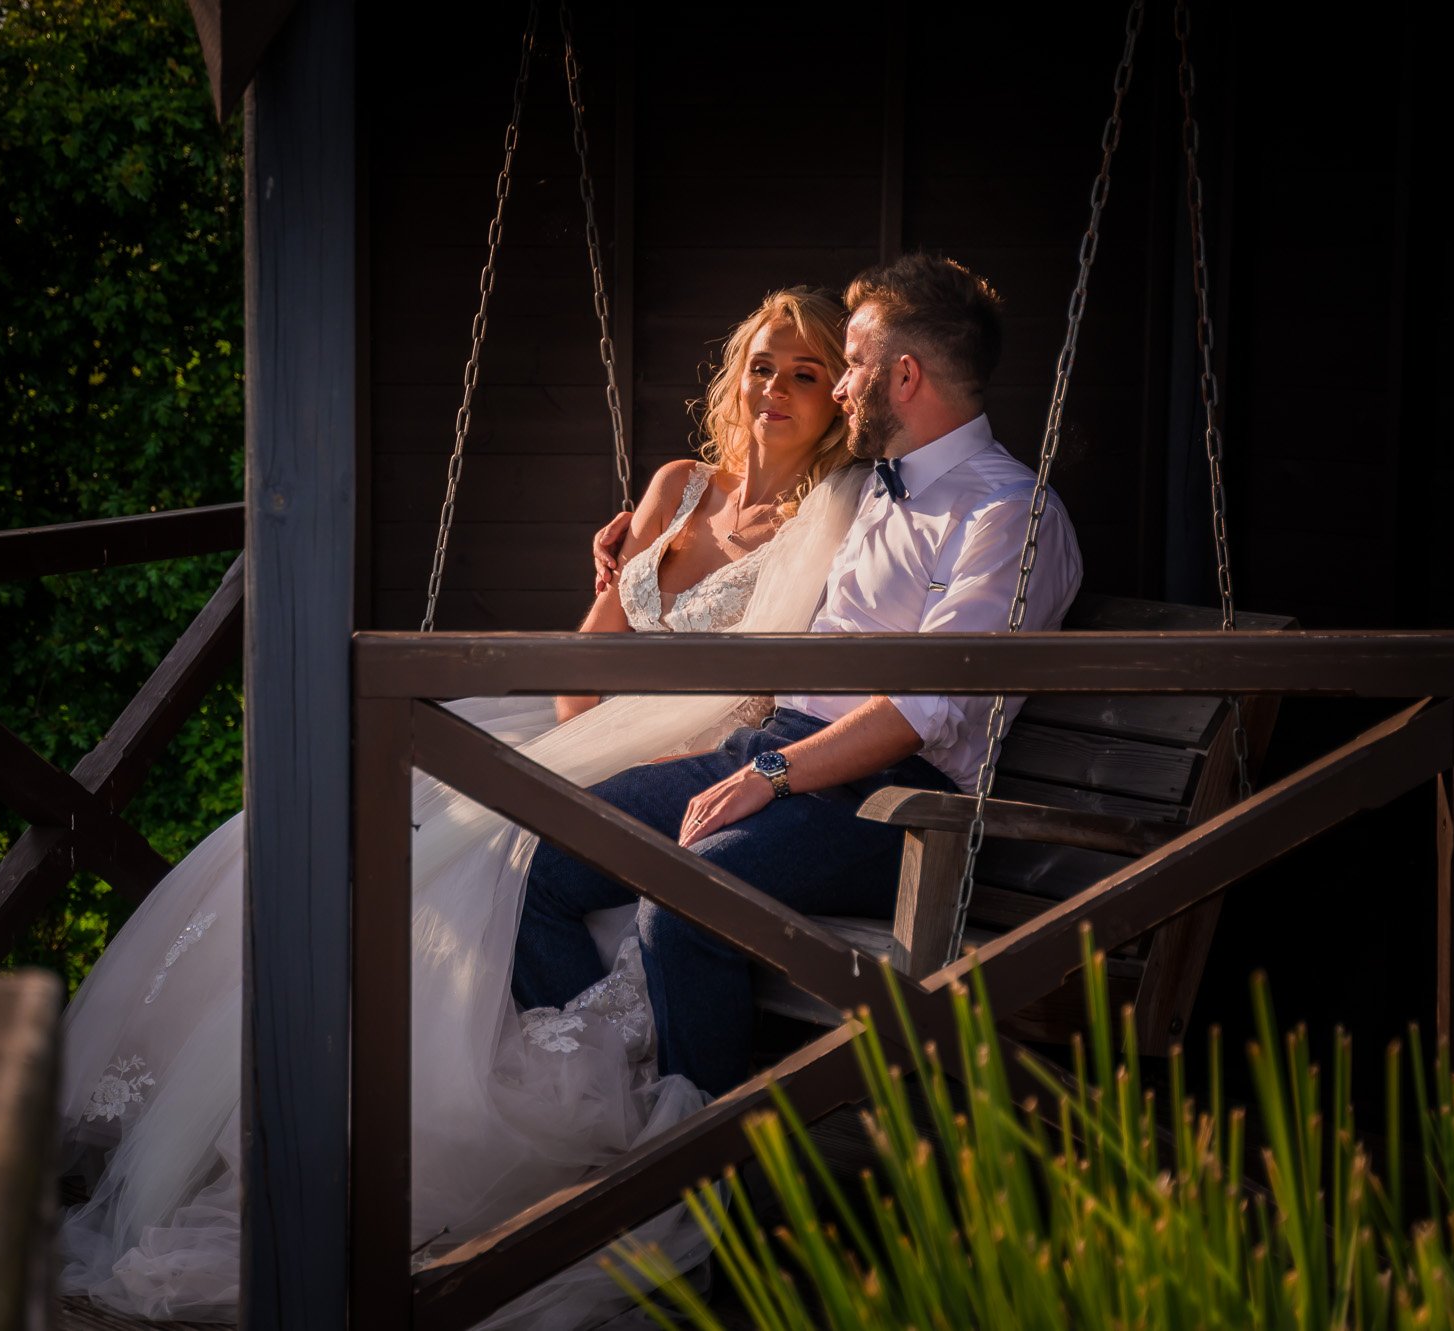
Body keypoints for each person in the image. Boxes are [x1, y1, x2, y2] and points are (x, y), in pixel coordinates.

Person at [56, 287, 871, 1327]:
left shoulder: (825, 513)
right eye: (762, 364)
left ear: (833, 403)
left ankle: (559, 1095)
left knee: (488, 857)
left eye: (804, 374)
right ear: (734, 372)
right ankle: (291, 1117)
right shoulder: (677, 486)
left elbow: (763, 692)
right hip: (584, 725)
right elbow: (588, 663)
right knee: (335, 826)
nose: (776, 390)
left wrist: (629, 741)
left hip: (696, 756)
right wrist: (598, 664)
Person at [515, 252, 1084, 1098]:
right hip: (775, 751)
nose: (843, 386)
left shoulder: (1007, 515)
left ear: (903, 374)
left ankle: (701, 1176)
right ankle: (592, 1103)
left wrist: (767, 774)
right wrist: (632, 553)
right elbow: (747, 527)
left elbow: (922, 708)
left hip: (893, 802)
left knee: (683, 900)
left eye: (850, 364)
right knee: (545, 854)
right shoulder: (868, 488)